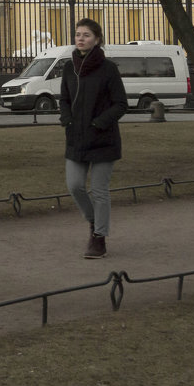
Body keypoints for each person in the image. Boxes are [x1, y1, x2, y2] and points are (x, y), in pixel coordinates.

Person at [58, 18, 127, 259]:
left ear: (97, 39)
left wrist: (100, 122)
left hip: (102, 138)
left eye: (86, 35)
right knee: (75, 186)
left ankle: (99, 238)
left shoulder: (108, 68)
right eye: (78, 34)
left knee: (99, 191)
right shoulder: (69, 67)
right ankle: (95, 220)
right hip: (76, 137)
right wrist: (66, 118)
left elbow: (120, 104)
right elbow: (64, 99)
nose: (80, 38)